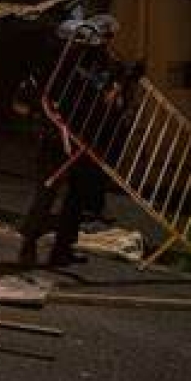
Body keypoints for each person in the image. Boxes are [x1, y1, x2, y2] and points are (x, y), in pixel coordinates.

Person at [15, 15, 129, 267]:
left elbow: (108, 101)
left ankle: (62, 249)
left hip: (85, 140)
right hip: (57, 138)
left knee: (76, 197)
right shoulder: (55, 66)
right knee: (47, 194)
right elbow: (24, 101)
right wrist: (44, 116)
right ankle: (29, 245)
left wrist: (117, 89)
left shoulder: (104, 66)